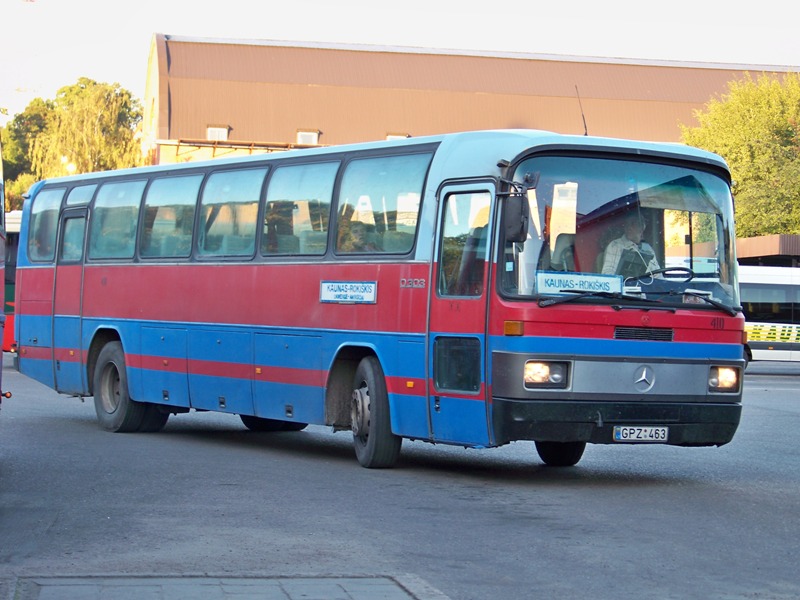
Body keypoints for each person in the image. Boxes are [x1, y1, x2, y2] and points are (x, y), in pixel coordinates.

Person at [601, 212, 660, 277]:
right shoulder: (615, 246)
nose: (629, 227)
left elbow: (658, 275)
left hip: (647, 286)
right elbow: (607, 274)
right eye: (627, 224)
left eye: (633, 224)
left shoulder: (648, 249)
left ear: (642, 227)